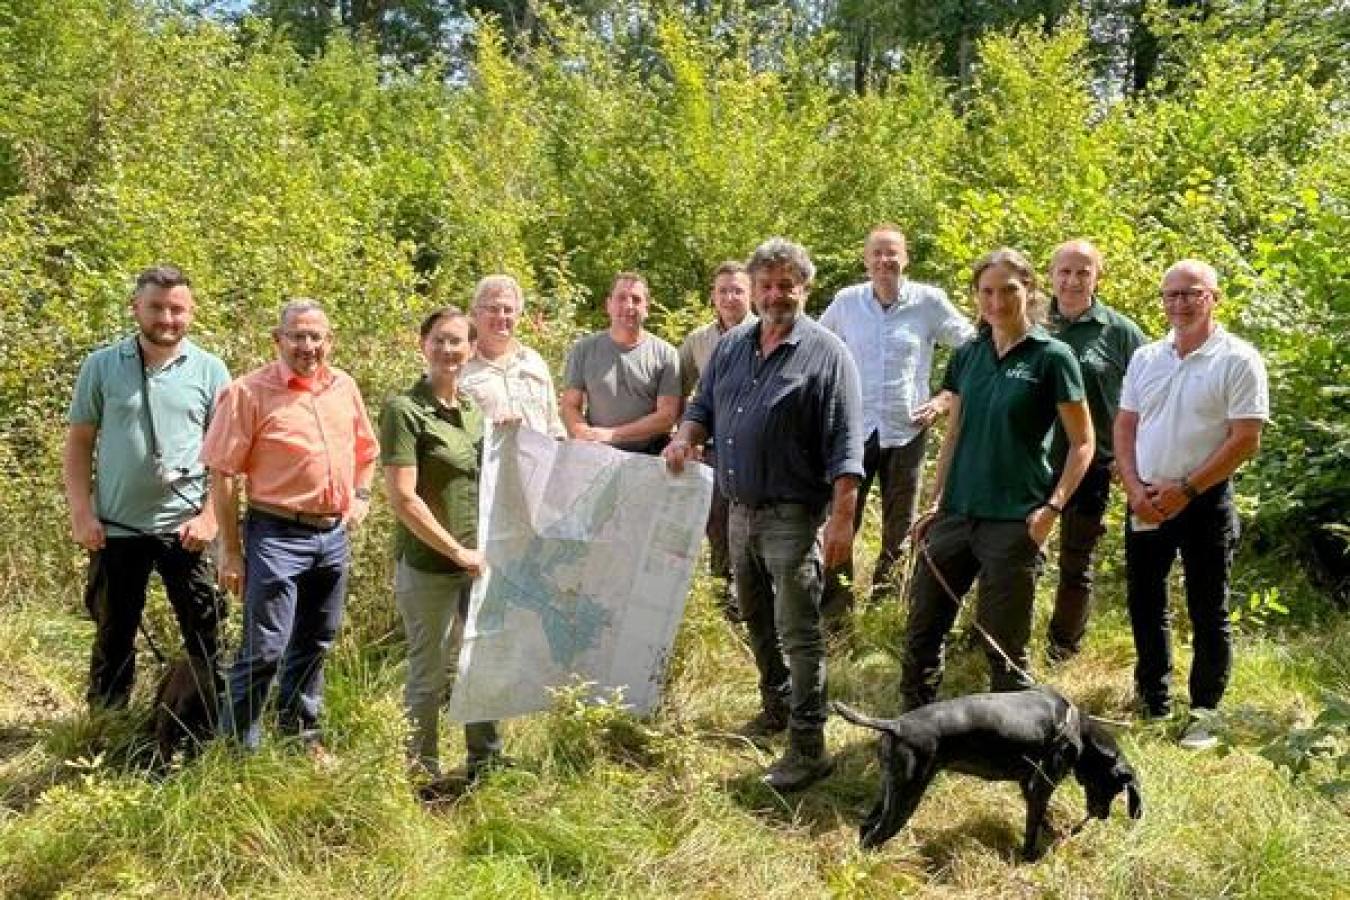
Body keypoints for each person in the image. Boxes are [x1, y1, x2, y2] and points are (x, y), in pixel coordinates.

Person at [664, 238, 864, 791]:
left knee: (799, 633)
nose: (776, 295)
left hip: (793, 518)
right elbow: (702, 406)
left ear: (805, 288)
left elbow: (848, 447)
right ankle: (774, 709)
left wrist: (843, 520)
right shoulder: (731, 348)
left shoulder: (828, 354)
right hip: (737, 511)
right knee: (754, 618)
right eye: (767, 286)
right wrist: (685, 437)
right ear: (753, 290)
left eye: (787, 285)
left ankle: (809, 746)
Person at [899, 248, 1092, 711]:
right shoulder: (969, 355)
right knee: (923, 628)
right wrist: (935, 499)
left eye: (1009, 290)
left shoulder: (1053, 357)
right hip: (956, 514)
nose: (997, 301)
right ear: (975, 297)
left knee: (1003, 643)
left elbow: (1083, 443)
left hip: (1013, 521)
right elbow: (955, 432)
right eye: (987, 291)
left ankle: (1017, 741)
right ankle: (914, 727)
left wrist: (1051, 511)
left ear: (1029, 291)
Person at [202, 300, 379, 755]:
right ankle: (237, 752)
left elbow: (367, 451)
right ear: (277, 339)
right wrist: (231, 550)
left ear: (329, 341)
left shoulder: (343, 387)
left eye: (316, 336)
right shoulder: (248, 393)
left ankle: (302, 737)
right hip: (276, 534)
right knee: (265, 648)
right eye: (297, 336)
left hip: (332, 535)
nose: (307, 346)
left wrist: (359, 499)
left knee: (316, 640)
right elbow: (223, 473)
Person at [1115, 259, 1268, 750]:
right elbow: (1125, 425)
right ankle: (1153, 701)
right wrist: (1134, 486)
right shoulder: (1146, 358)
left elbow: (1245, 440)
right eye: (1171, 295)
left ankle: (1204, 714)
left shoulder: (1239, 360)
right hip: (1147, 497)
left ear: (1214, 299)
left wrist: (1187, 489)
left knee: (1208, 608)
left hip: (1204, 500)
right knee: (1145, 602)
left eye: (1191, 294)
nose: (1179, 303)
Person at [64, 265, 229, 710]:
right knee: (113, 634)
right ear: (135, 307)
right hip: (115, 527)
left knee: (207, 633)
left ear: (191, 313)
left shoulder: (211, 371)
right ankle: (105, 728)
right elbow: (79, 443)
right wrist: (82, 512)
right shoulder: (101, 366)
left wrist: (212, 517)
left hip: (188, 528)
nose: (166, 318)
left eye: (177, 309)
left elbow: (228, 458)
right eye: (156, 307)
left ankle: (208, 727)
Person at [819, 224, 974, 611]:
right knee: (842, 518)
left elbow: (973, 347)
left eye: (892, 254)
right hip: (853, 431)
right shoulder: (846, 302)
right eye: (877, 254)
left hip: (908, 429)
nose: (885, 261)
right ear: (866, 260)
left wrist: (945, 398)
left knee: (900, 526)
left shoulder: (928, 302)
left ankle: (886, 605)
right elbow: (816, 350)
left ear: (905, 259)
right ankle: (837, 609)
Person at [381, 306, 505, 785]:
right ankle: (422, 772)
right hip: (430, 565)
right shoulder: (404, 411)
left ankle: (485, 762)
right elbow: (403, 497)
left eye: (458, 342)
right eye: (440, 340)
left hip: (478, 564)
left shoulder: (474, 412)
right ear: (423, 345)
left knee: (480, 664)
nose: (450, 350)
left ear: (473, 348)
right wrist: (455, 550)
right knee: (428, 674)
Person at [1043, 240, 1148, 661]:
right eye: (1064, 271)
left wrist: (1134, 459)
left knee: (1075, 559)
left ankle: (1063, 646)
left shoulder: (1120, 332)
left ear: (1097, 277)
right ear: (1051, 275)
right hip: (1028, 460)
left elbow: (1150, 394)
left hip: (1092, 464)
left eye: (1082, 272)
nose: (1072, 280)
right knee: (1012, 552)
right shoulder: (1032, 322)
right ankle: (1001, 640)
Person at [677, 261, 757, 620]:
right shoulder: (698, 341)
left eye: (737, 290)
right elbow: (677, 392)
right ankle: (725, 603)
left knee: (757, 524)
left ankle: (760, 597)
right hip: (713, 449)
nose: (730, 297)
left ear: (751, 293)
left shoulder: (768, 331)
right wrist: (685, 436)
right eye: (723, 290)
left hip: (757, 449)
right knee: (718, 525)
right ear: (713, 296)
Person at [561, 272, 681, 454]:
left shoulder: (666, 355)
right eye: (621, 298)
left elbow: (667, 416)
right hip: (596, 453)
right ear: (608, 305)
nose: (628, 306)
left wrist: (613, 435)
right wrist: (582, 433)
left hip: (649, 457)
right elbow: (570, 404)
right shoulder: (583, 350)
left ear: (647, 308)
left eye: (636, 299)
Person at [460, 275, 566, 439]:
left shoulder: (533, 362)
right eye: (493, 309)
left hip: (538, 462)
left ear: (518, 316)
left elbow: (552, 423)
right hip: (483, 463)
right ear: (475, 313)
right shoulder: (460, 366)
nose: (501, 317)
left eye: (508, 310)